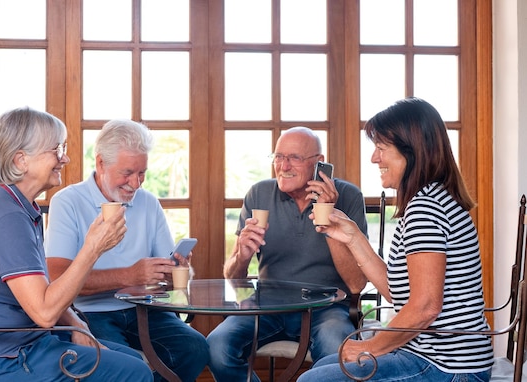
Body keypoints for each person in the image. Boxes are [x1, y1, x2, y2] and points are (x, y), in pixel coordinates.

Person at [0, 107, 153, 382]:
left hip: (22, 345)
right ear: (21, 160)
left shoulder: (18, 207)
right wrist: (93, 248)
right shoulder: (7, 218)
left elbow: (41, 293)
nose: (64, 158)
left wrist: (77, 324)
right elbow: (44, 313)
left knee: (132, 360)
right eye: (56, 150)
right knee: (136, 373)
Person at [298, 97, 493, 381]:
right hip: (429, 356)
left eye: (381, 148)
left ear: (411, 152)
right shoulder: (430, 199)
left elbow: (426, 307)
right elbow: (399, 293)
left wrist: (370, 347)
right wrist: (352, 236)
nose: (374, 158)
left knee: (312, 380)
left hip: (449, 368)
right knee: (324, 365)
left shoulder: (426, 209)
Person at [44, 119, 209, 381]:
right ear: (100, 164)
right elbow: (56, 278)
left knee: (196, 348)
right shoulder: (68, 202)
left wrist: (176, 271)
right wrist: (129, 276)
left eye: (142, 173)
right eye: (127, 173)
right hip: (91, 312)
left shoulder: (148, 203)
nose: (136, 183)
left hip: (146, 309)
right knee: (123, 363)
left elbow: (175, 277)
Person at [206, 126, 369, 382]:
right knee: (216, 346)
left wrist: (328, 216)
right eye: (278, 157)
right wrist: (242, 255)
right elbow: (232, 276)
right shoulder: (259, 194)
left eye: (294, 157)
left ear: (319, 164)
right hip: (267, 306)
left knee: (339, 357)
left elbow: (357, 284)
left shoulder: (348, 196)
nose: (283, 165)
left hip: (327, 308)